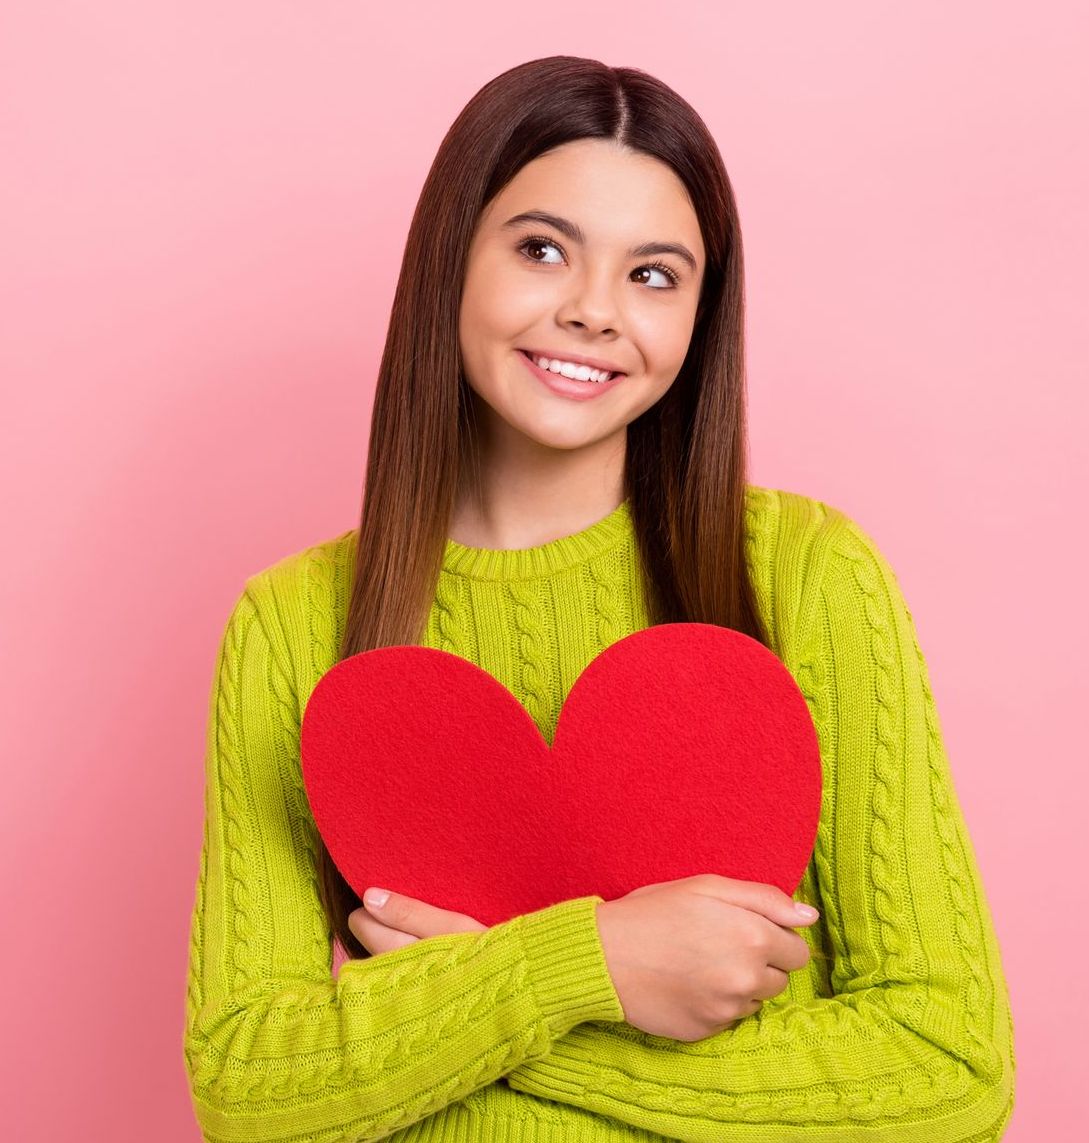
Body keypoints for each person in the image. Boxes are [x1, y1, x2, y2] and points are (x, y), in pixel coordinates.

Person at [183, 55, 1015, 1142]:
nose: (591, 312)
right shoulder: (293, 623)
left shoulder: (808, 575)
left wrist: (462, 1011)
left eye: (654, 275)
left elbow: (948, 1067)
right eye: (541, 250)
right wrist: (593, 963)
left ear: (700, 316)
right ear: (452, 262)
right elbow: (247, 1087)